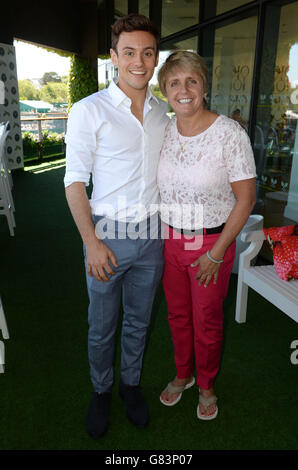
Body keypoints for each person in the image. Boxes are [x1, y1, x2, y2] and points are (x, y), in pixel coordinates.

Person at [64, 14, 169, 439]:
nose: (139, 62)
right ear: (113, 57)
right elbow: (74, 181)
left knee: (139, 321)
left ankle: (130, 386)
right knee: (102, 323)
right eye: (129, 53)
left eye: (147, 53)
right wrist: (91, 242)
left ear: (155, 57)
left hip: (152, 235)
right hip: (107, 234)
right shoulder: (90, 110)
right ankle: (102, 391)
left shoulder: (164, 110)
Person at [157, 51, 256, 420]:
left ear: (204, 86)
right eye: (174, 83)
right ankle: (183, 374)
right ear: (165, 91)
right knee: (178, 316)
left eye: (191, 81)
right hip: (169, 239)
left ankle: (207, 384)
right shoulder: (165, 129)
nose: (183, 90)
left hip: (211, 243)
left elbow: (246, 199)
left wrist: (216, 254)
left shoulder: (230, 134)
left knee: (207, 320)